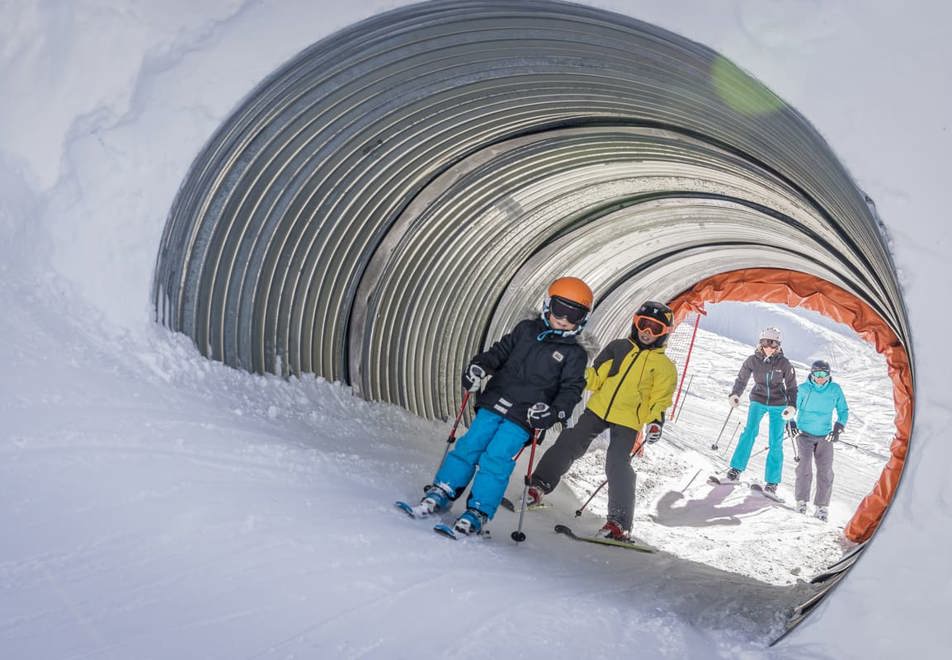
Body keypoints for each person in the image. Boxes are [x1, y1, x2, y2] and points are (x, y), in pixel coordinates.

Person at [417, 276, 594, 536]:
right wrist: (480, 366)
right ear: (547, 305)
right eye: (560, 309)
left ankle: (478, 510)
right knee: (469, 445)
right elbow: (499, 353)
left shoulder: (574, 354)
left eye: (574, 315)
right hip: (494, 402)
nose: (565, 319)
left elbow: (571, 390)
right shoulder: (526, 330)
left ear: (583, 319)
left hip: (524, 418)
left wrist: (553, 413)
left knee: (497, 458)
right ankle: (443, 489)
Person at [526, 301, 678, 541]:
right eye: (643, 324)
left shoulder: (664, 367)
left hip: (628, 420)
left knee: (617, 464)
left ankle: (619, 522)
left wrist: (656, 422)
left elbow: (660, 400)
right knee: (570, 442)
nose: (647, 332)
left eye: (655, 328)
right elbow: (596, 378)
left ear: (664, 333)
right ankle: (538, 486)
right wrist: (575, 369)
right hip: (598, 409)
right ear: (635, 324)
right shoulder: (618, 347)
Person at [724, 327, 798, 495]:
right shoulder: (753, 360)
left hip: (779, 404)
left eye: (773, 344)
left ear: (778, 345)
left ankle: (772, 482)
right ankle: (736, 469)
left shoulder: (784, 363)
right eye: (766, 343)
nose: (769, 347)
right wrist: (735, 394)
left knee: (775, 441)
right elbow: (742, 379)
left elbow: (792, 387)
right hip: (758, 399)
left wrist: (792, 406)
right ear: (760, 343)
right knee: (749, 432)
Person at [788, 359, 849, 521]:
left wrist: (838, 427)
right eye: (817, 374)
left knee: (826, 470)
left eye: (823, 374)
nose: (820, 377)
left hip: (825, 435)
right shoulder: (803, 389)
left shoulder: (834, 390)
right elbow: (791, 408)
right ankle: (801, 502)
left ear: (829, 375)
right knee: (804, 466)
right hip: (804, 434)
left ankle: (821, 507)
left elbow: (843, 410)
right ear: (811, 374)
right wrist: (791, 422)